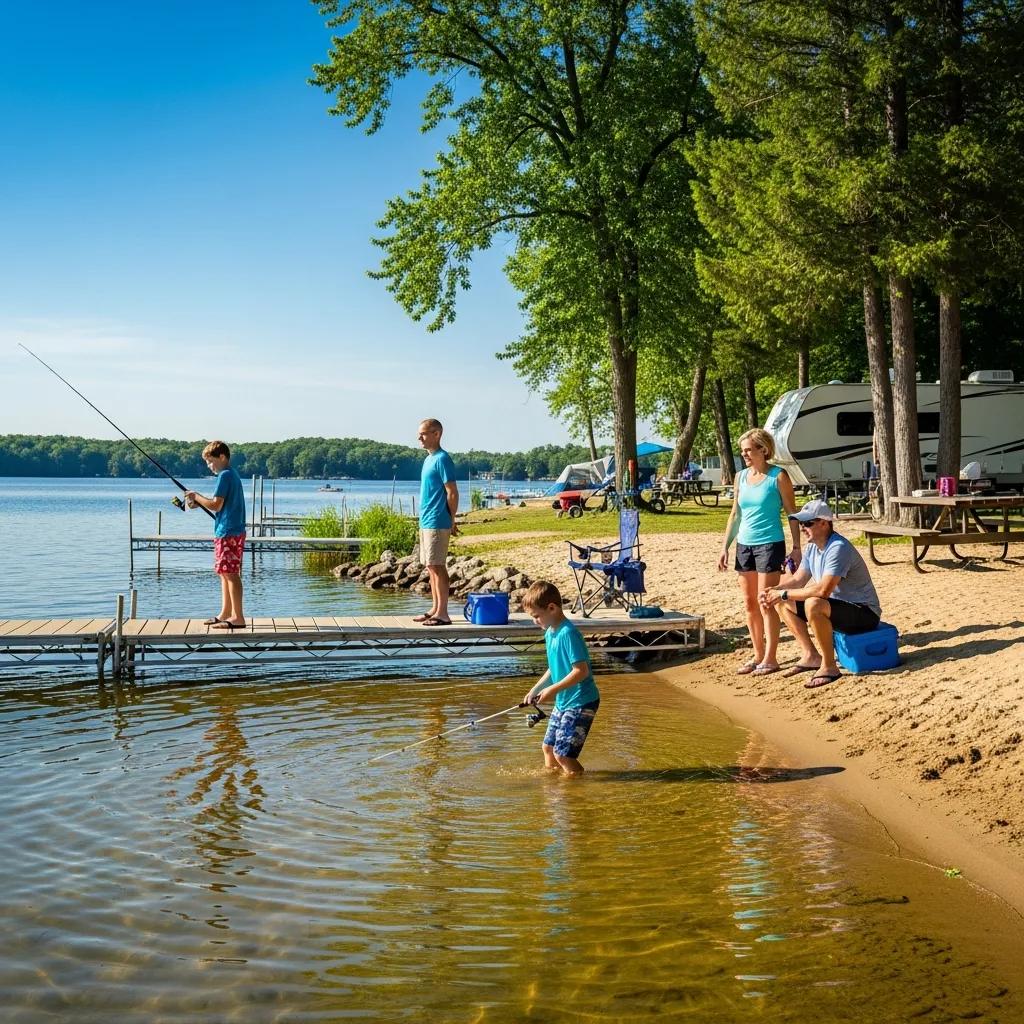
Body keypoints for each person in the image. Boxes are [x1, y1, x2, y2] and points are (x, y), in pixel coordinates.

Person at [760, 499, 882, 689]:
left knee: (813, 603)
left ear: (824, 523)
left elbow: (823, 590)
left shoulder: (838, 548)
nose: (802, 528)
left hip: (865, 613)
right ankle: (811, 656)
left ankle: (829, 666)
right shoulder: (812, 548)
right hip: (836, 607)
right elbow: (798, 580)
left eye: (807, 523)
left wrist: (784, 593)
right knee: (783, 602)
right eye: (801, 523)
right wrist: (773, 591)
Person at [718, 428, 801, 676]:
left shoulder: (779, 476)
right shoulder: (741, 477)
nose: (744, 454)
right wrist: (725, 547)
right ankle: (757, 654)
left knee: (767, 602)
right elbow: (736, 514)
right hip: (745, 545)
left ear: (763, 450)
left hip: (770, 544)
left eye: (748, 450)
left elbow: (791, 513)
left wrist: (797, 547)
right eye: (742, 451)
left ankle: (771, 657)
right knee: (749, 603)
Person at [521, 580, 600, 776]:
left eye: (537, 616)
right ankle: (554, 788)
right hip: (564, 701)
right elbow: (554, 668)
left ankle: (575, 792)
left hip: (582, 701)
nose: (535, 621)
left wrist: (553, 690)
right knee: (548, 748)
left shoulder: (568, 633)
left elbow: (581, 671)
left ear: (552, 608)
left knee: (563, 755)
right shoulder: (550, 632)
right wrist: (536, 689)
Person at [184, 440, 246, 629]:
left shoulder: (225, 475)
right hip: (228, 530)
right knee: (224, 573)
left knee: (231, 573)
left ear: (222, 457)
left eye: (211, 462)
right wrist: (199, 501)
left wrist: (196, 497)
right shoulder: (231, 475)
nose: (209, 466)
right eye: (207, 463)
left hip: (228, 531)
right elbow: (216, 504)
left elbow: (216, 504)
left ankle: (238, 617)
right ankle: (226, 613)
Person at [415, 418, 459, 626]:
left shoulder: (442, 459)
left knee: (437, 566)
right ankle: (434, 608)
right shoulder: (428, 460)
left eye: (423, 434)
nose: (419, 438)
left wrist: (451, 519)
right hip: (426, 520)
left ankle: (443, 613)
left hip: (438, 520)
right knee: (430, 566)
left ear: (436, 434)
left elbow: (452, 492)